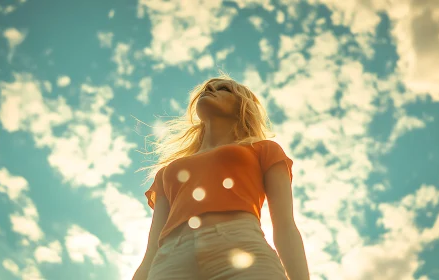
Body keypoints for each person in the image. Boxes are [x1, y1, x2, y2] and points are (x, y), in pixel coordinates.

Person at [132, 73, 310, 280]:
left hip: (242, 245)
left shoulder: (264, 149)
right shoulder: (167, 172)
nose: (209, 90)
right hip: (170, 259)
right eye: (207, 88)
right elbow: (151, 251)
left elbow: (285, 225)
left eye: (223, 88)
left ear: (242, 106)